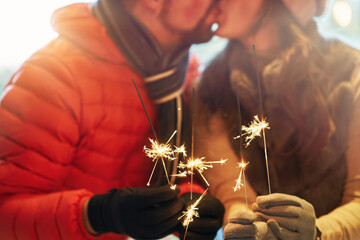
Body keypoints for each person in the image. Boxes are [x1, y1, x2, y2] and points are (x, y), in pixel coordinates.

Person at [0, 0, 225, 239]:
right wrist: (96, 215)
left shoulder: (182, 72)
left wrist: (189, 201)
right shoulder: (53, 76)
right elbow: (5, 212)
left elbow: (182, 173)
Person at [195, 0, 360, 239]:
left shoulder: (350, 72)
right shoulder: (210, 90)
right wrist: (244, 226)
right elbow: (234, 197)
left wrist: (316, 233)